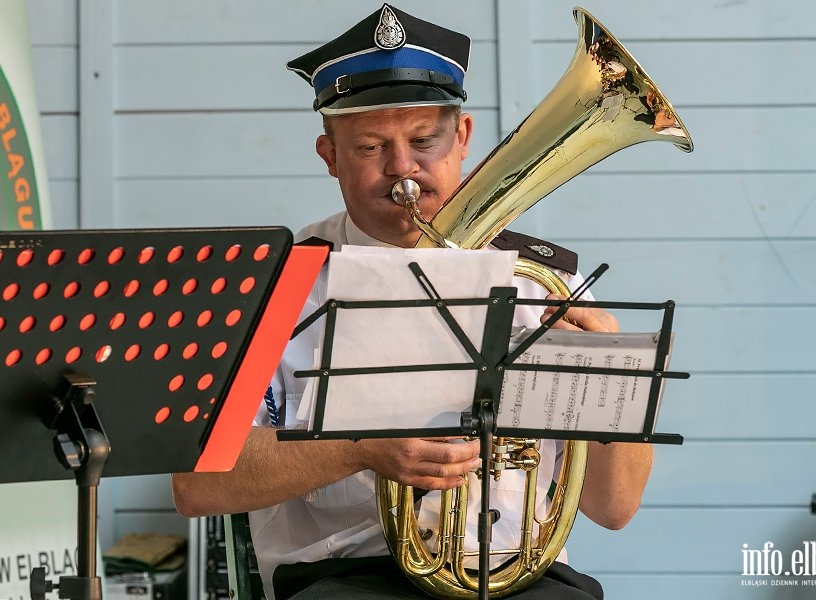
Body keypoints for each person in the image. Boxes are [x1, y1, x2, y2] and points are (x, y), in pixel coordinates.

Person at [171, 4, 652, 599]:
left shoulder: (541, 282)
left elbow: (616, 507)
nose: (404, 170)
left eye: (424, 141)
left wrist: (611, 378)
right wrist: (361, 450)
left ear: (463, 138)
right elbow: (197, 487)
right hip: (343, 577)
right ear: (329, 156)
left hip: (518, 577)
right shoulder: (279, 286)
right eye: (372, 147)